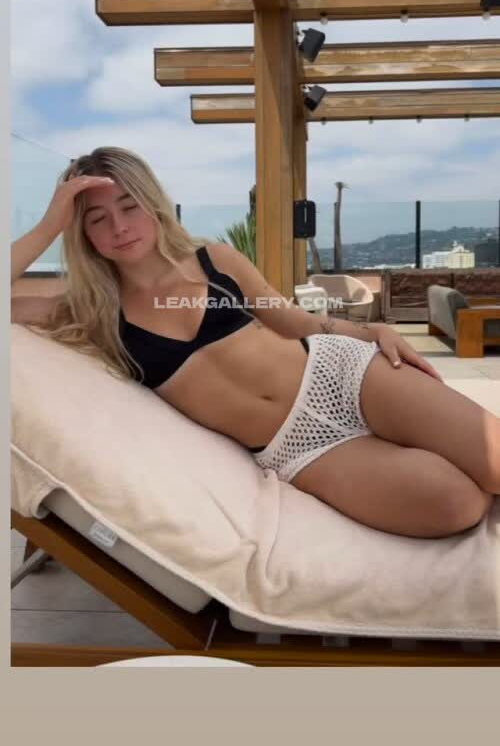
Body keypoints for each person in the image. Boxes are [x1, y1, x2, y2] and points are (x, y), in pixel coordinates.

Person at [11, 147, 500, 539]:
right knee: (459, 504)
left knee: (495, 463)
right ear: (81, 232)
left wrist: (371, 332)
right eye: (96, 219)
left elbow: (290, 320)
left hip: (343, 373)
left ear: (152, 204)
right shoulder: (92, 311)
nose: (119, 227)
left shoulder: (214, 259)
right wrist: (50, 223)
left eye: (129, 206)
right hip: (296, 447)